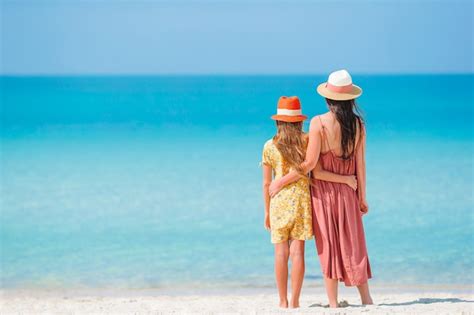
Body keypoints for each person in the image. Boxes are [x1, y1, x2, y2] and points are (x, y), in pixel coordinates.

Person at [269, 70, 373, 308]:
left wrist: (280, 182)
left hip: (323, 195)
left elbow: (309, 166)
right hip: (349, 193)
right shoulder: (358, 125)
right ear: (350, 100)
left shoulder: (318, 123)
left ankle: (333, 303)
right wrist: (362, 197)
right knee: (354, 244)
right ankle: (366, 299)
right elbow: (361, 164)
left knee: (328, 247)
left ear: (328, 99)